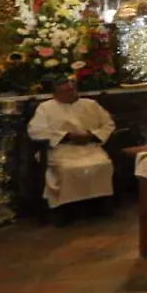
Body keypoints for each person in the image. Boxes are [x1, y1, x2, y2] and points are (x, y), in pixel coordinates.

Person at [27, 78, 116, 220]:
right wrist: (66, 136)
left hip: (89, 147)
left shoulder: (90, 104)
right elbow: (36, 131)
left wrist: (92, 135)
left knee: (103, 165)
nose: (71, 94)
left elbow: (108, 124)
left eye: (72, 90)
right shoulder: (45, 108)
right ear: (56, 94)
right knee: (67, 169)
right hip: (61, 149)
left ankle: (100, 204)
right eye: (66, 92)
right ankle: (65, 210)